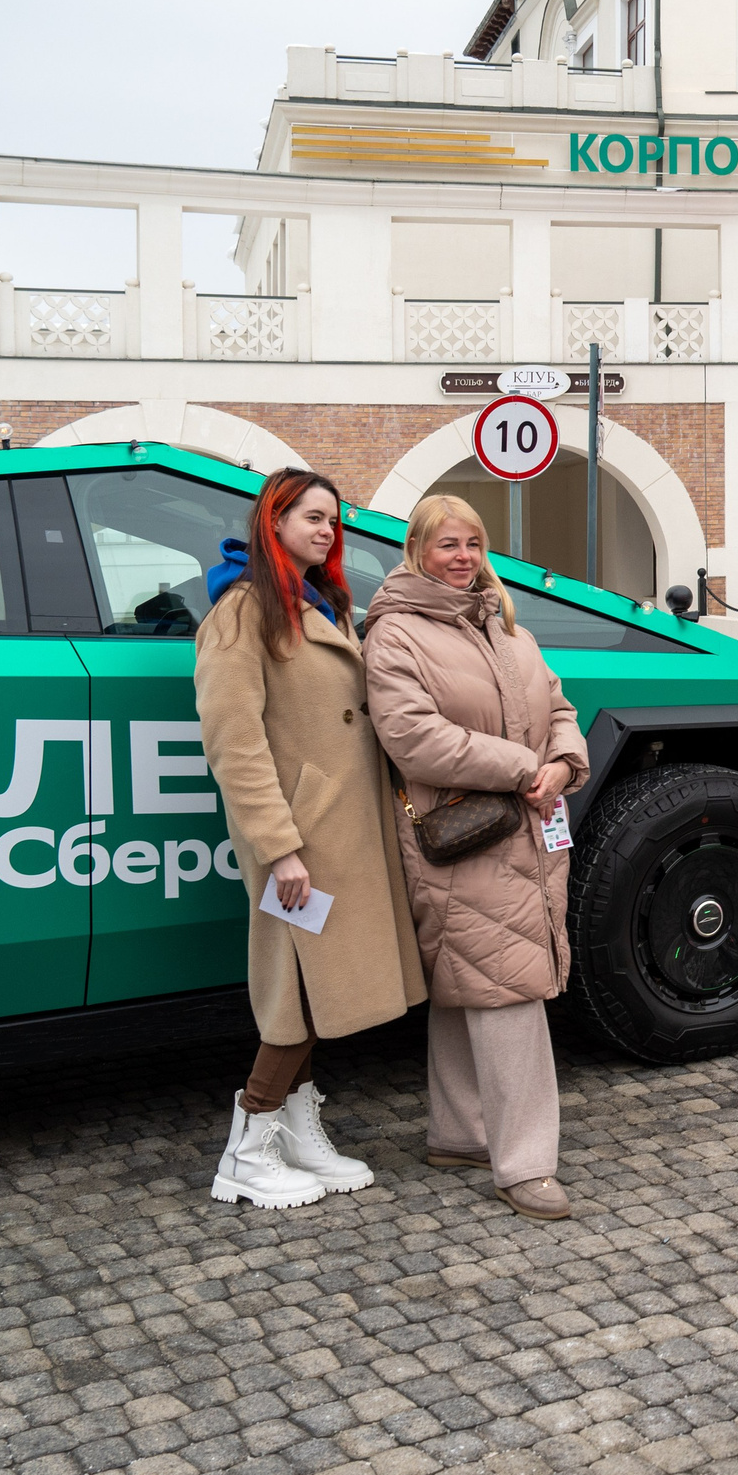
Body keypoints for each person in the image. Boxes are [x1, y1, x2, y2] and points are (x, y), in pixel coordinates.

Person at [194, 468, 427, 1210]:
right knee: (293, 993)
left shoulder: (318, 602)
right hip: (298, 842)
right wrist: (279, 846)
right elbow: (235, 744)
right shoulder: (241, 612)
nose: (328, 531)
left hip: (340, 833)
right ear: (275, 521)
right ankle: (248, 1145)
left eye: (334, 520)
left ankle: (296, 1129)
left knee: (316, 989)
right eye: (312, 518)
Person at [363, 495, 587, 1222]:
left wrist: (563, 763)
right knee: (509, 990)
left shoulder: (503, 624)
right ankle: (526, 1166)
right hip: (463, 837)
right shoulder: (395, 633)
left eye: (472, 544)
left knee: (476, 981)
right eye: (445, 545)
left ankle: (459, 1133)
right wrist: (522, 766)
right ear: (416, 551)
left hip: (522, 824)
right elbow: (412, 738)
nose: (462, 557)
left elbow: (558, 708)